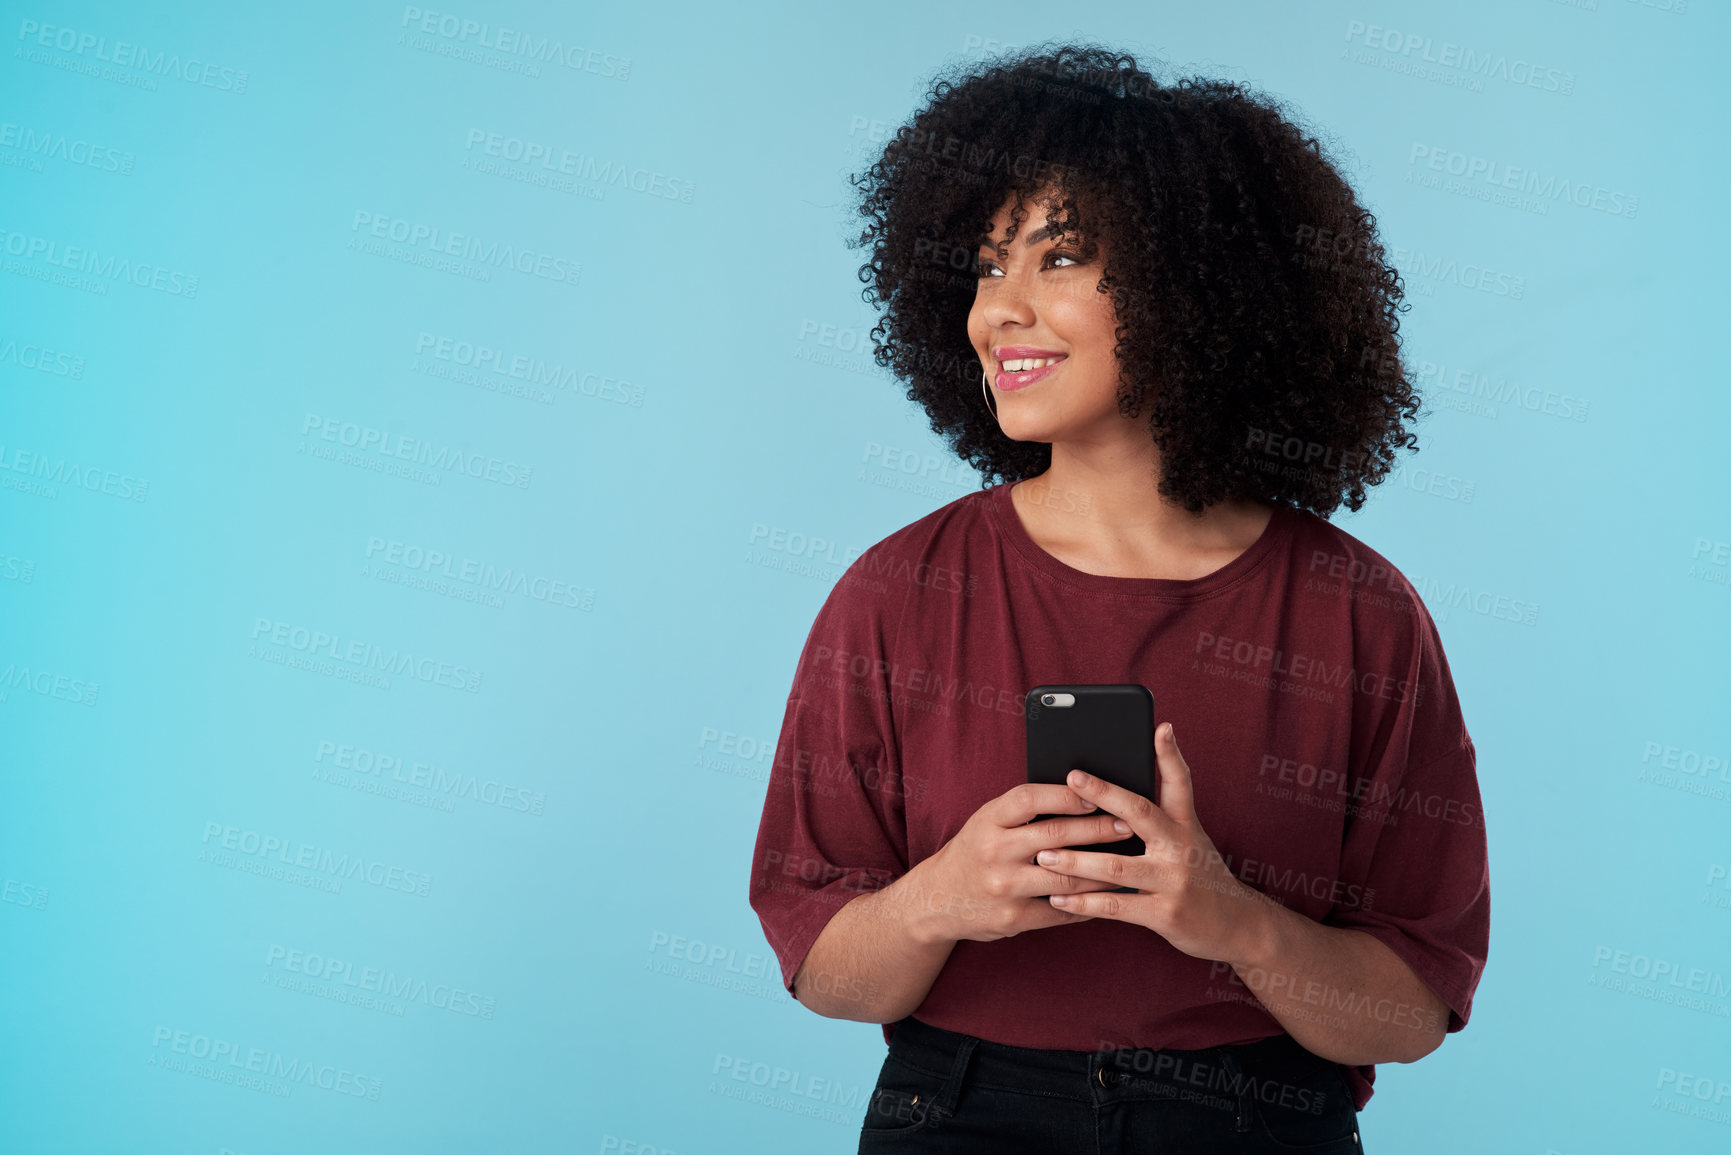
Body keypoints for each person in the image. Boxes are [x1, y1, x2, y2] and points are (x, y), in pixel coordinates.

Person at [748, 43, 1489, 1154]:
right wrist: (940, 898)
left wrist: (1228, 919)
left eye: (1059, 259)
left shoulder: (1359, 613)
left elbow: (1413, 1010)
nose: (1000, 309)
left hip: (1260, 1118)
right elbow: (822, 973)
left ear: (1199, 285)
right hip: (960, 1110)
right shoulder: (895, 593)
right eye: (988, 266)